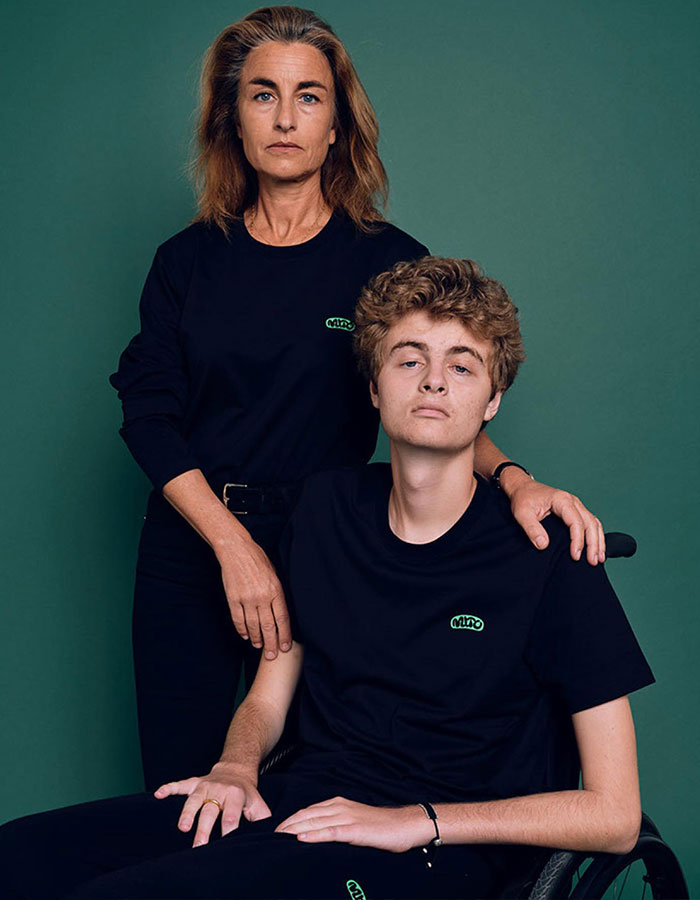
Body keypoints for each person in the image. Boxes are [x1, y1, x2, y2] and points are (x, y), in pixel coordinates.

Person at [0, 257, 653, 899]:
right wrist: (235, 767)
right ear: (373, 387)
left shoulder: (550, 552)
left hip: (438, 851)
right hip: (298, 805)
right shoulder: (324, 510)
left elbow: (616, 816)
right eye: (409, 360)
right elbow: (268, 695)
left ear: (493, 399)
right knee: (21, 858)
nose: (433, 382)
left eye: (461, 365)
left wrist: (415, 824)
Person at [109, 4, 606, 793]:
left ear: (337, 124)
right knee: (182, 791)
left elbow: (434, 399)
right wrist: (232, 546)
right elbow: (149, 413)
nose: (285, 117)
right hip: (192, 545)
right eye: (263, 94)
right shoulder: (186, 263)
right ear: (231, 119)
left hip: (326, 549)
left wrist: (516, 480)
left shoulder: (387, 262)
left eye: (309, 96)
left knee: (319, 782)